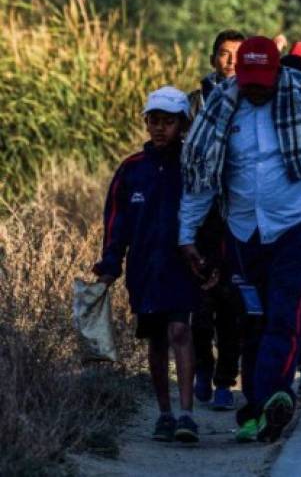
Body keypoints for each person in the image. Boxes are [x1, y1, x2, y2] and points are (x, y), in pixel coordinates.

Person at [178, 36, 301, 443]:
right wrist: (187, 236)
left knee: (286, 314)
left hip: (297, 228)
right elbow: (200, 178)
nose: (256, 88)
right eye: (249, 80)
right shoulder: (220, 108)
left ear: (278, 72)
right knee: (253, 321)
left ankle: (274, 397)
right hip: (243, 234)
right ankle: (256, 407)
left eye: (264, 79)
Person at [93, 87, 201, 443]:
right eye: (153, 121)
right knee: (156, 339)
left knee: (180, 331)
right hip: (144, 269)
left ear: (182, 124)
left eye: (168, 122)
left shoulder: (193, 166)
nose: (159, 128)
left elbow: (210, 213)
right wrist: (110, 264)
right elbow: (116, 222)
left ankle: (187, 414)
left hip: (182, 266)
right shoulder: (131, 170)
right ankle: (165, 413)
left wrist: (210, 259)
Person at [192, 30, 245, 412]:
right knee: (199, 305)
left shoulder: (253, 102)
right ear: (213, 59)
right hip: (200, 216)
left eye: (236, 56)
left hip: (238, 216)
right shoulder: (195, 102)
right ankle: (201, 369)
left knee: (231, 306)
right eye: (223, 55)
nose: (229, 62)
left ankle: (226, 379)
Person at [199, 30, 245, 108]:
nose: (232, 61)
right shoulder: (196, 100)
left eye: (238, 55)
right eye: (225, 54)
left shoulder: (254, 98)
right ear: (212, 60)